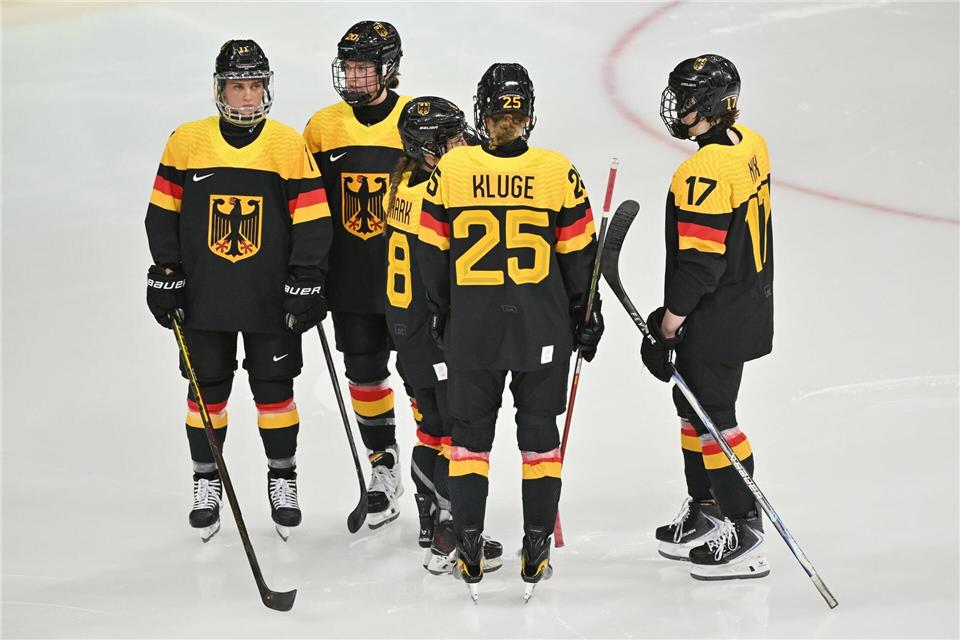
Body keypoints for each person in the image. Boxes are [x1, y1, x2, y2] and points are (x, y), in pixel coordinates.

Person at [416, 63, 604, 599]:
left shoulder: (452, 170)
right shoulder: (556, 170)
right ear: (527, 115)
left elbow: (430, 251)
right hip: (541, 328)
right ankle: (537, 547)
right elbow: (579, 257)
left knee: (469, 441)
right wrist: (586, 314)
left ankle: (469, 549)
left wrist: (444, 309)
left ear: (484, 113)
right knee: (539, 437)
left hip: (472, 329)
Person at [145, 40, 332, 542]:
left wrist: (307, 276)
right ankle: (206, 480)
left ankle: (282, 477)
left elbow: (313, 218)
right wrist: (166, 271)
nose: (247, 96)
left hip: (270, 297)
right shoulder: (186, 140)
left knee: (275, 391)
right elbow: (162, 212)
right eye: (237, 86)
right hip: (205, 296)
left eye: (254, 86)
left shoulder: (287, 144)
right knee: (206, 391)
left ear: (266, 89)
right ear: (220, 89)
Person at [641, 54, 773, 580]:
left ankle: (746, 530)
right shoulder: (750, 144)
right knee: (692, 407)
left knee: (714, 415)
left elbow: (700, 263)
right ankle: (709, 508)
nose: (679, 107)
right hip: (744, 301)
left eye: (688, 99)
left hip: (716, 313)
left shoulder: (703, 172)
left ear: (714, 105)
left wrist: (670, 322)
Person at [303, 21, 412, 529]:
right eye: (348, 68)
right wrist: (305, 272)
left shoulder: (415, 121)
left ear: (389, 68)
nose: (354, 77)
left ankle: (434, 471)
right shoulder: (323, 127)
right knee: (365, 374)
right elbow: (303, 206)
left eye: (364, 68)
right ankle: (383, 464)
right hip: (349, 282)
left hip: (409, 283)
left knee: (423, 380)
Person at [387, 97, 503, 575]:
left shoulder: (403, 184)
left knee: (431, 430)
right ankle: (449, 536)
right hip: (433, 334)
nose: (462, 144)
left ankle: (429, 521)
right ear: (426, 148)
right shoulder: (434, 196)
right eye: (451, 139)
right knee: (456, 435)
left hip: (408, 334)